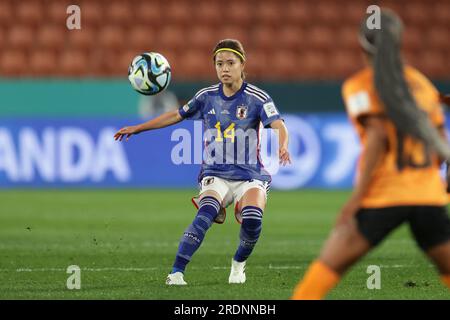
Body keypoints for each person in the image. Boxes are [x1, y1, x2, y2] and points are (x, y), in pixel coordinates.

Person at [291, 10, 450, 299]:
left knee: (322, 273)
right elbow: (439, 141)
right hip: (427, 197)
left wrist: (355, 200)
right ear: (399, 41)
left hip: (384, 196)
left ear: (361, 43)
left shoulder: (359, 85)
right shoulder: (423, 85)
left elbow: (377, 137)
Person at [114, 39, 291, 285]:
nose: (224, 68)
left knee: (253, 220)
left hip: (250, 176)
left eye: (230, 63)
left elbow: (279, 124)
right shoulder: (205, 96)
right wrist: (139, 128)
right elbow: (176, 115)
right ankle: (176, 273)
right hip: (215, 173)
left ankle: (238, 264)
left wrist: (282, 143)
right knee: (204, 215)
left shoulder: (256, 97)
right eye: (219, 64)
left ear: (242, 65)